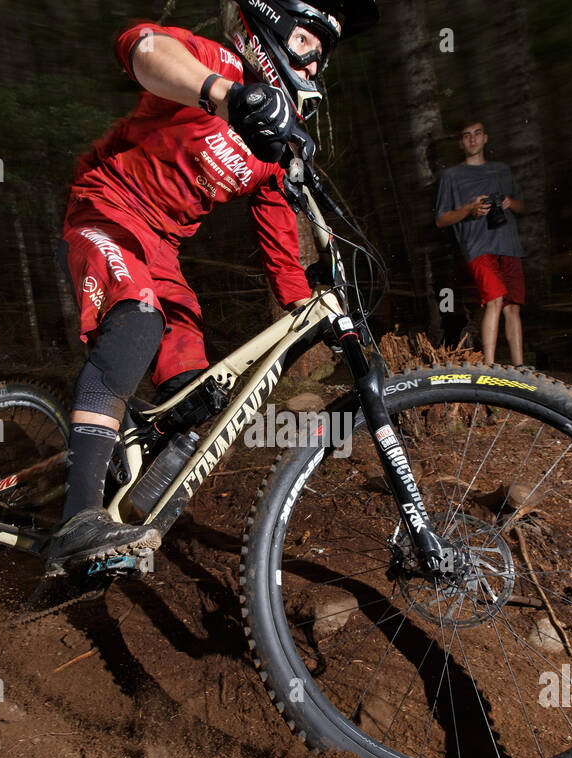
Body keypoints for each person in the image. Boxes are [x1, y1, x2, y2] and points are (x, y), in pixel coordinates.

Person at [51, 1, 379, 570]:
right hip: (103, 212)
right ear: (271, 31)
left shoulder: (269, 151)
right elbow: (142, 47)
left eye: (322, 56)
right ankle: (78, 519)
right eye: (306, 42)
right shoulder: (214, 64)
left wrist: (314, 313)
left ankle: (125, 512)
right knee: (138, 320)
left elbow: (282, 255)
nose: (313, 63)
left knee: (197, 395)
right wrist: (224, 93)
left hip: (162, 254)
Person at [434, 121, 528, 365]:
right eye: (466, 136)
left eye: (477, 134)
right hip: (477, 247)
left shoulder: (501, 170)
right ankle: (489, 366)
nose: (472, 140)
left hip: (508, 245)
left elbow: (522, 206)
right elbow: (441, 220)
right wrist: (469, 208)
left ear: (486, 138)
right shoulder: (451, 176)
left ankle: (520, 367)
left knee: (513, 307)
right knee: (494, 299)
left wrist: (508, 202)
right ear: (460, 142)